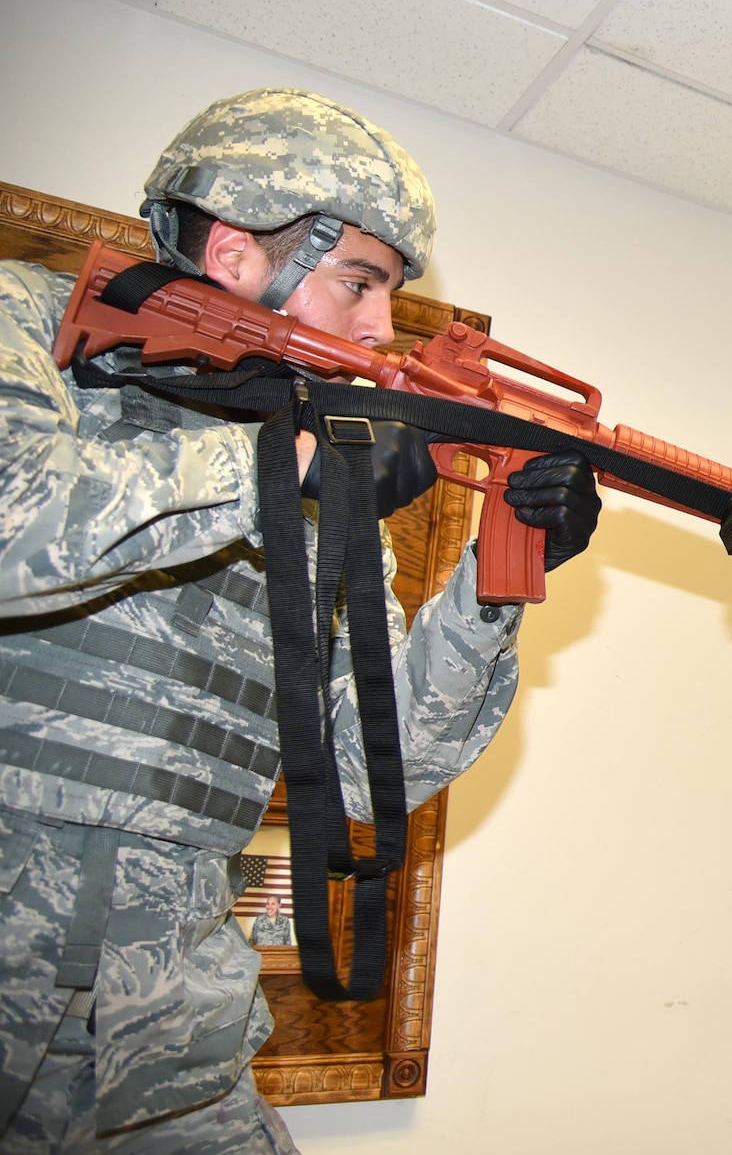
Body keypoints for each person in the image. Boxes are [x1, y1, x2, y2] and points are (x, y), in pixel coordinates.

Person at [0, 88, 601, 1152]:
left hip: (165, 1036)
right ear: (234, 252)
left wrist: (498, 581)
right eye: (359, 282)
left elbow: (368, 771)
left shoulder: (316, 488)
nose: (380, 326)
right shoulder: (26, 326)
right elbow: (18, 523)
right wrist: (297, 467)